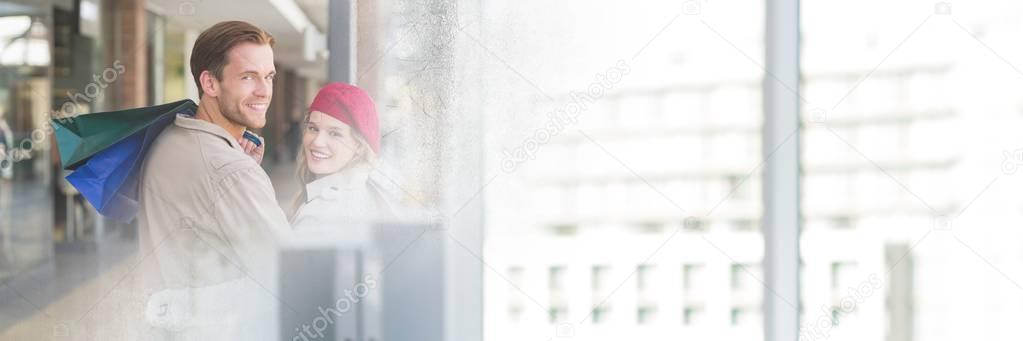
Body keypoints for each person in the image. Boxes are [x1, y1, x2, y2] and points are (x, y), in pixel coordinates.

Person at [134, 21, 289, 339]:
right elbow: (291, 274)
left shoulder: (168, 138)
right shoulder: (232, 173)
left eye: (269, 76)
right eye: (248, 77)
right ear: (210, 83)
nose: (264, 91)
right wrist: (243, 175)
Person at [289, 82, 397, 241]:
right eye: (313, 128)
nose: (318, 142)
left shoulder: (319, 216)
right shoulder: (366, 192)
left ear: (359, 146)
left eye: (334, 133)